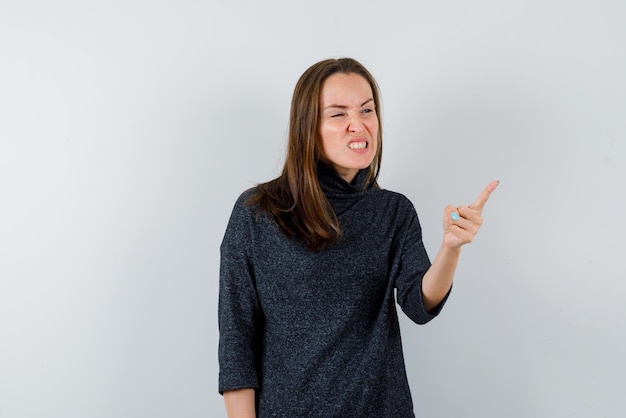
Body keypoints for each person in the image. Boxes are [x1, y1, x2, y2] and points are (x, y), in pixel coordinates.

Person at [218, 57, 498, 417]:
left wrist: (451, 249)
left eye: (367, 110)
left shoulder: (393, 212)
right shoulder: (258, 212)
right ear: (308, 127)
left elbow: (419, 304)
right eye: (338, 114)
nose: (358, 125)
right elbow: (238, 342)